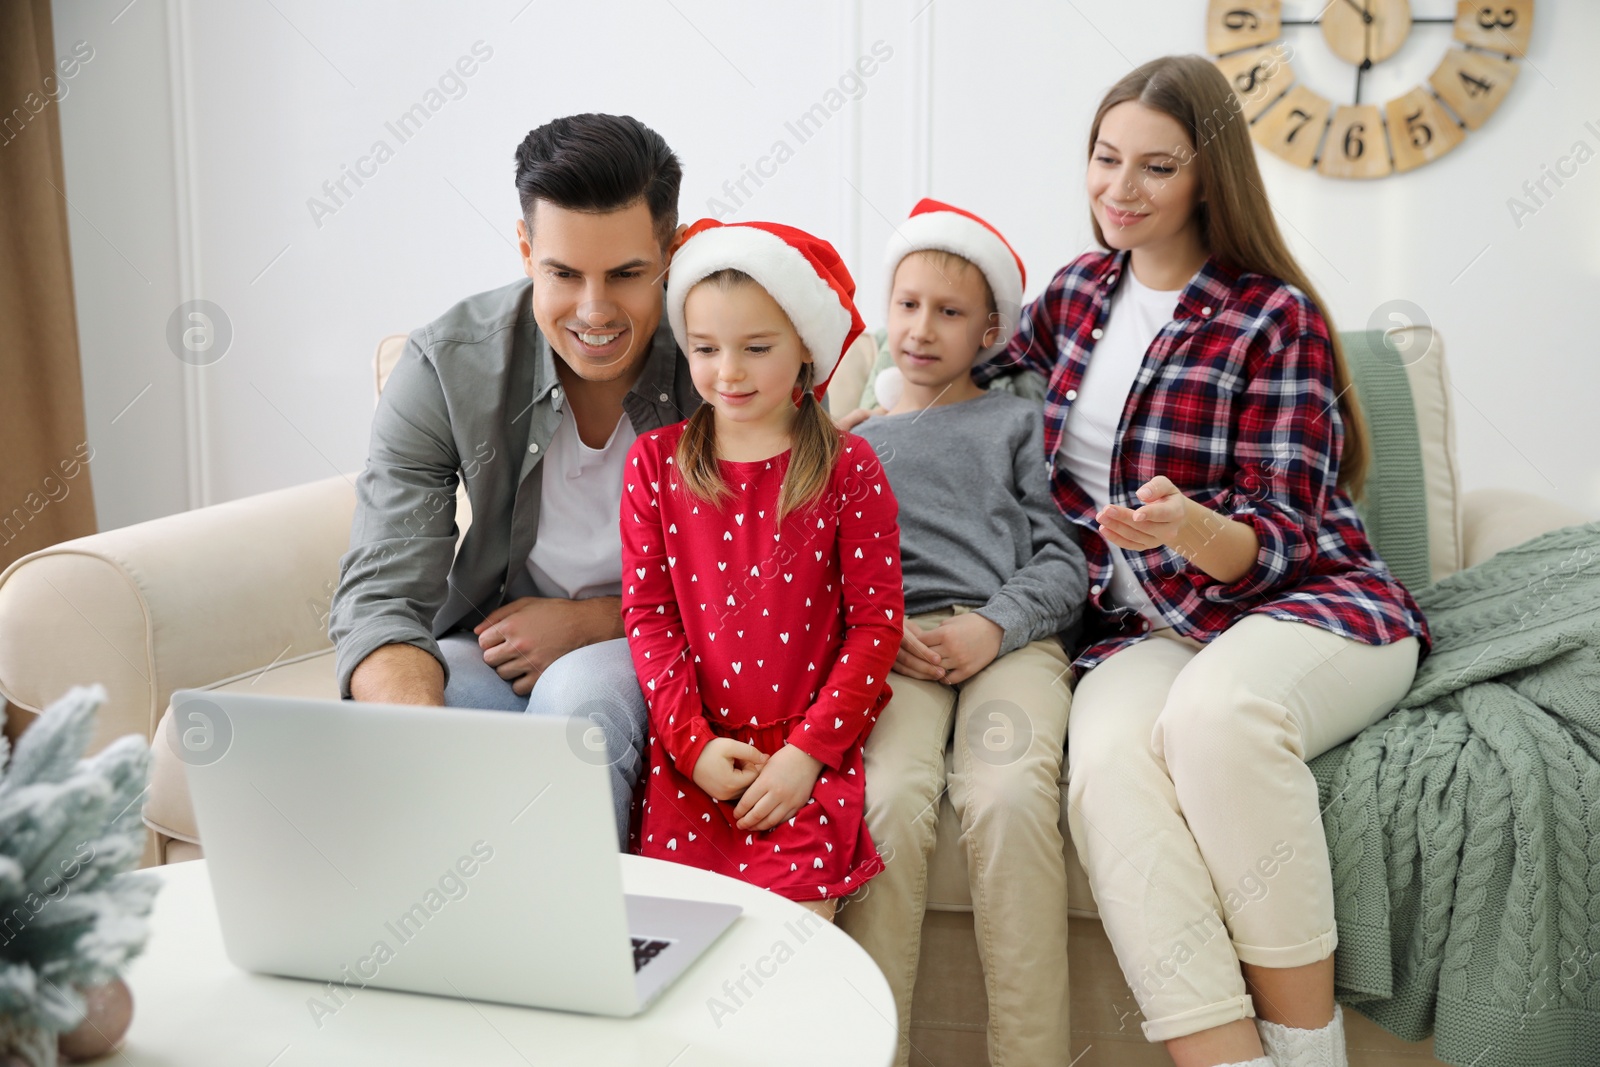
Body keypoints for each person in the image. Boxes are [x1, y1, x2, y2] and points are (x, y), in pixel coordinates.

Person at [973, 56, 1431, 1067]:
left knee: (1213, 720)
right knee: (1101, 768)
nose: (1118, 189)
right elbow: (967, 367)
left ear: (1206, 180)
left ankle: (1310, 1051)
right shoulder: (1077, 293)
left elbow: (1277, 533)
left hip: (1302, 606)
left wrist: (1182, 525)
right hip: (1144, 629)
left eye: (1154, 167)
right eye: (1105, 158)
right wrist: (871, 394)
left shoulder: (1272, 316)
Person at [327, 114, 702, 849]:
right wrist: (417, 743)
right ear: (527, 250)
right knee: (422, 704)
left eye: (626, 274)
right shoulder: (448, 363)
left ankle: (576, 952)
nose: (595, 312)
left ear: (670, 251)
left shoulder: (724, 353)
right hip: (497, 640)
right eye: (564, 274)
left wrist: (595, 622)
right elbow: (381, 597)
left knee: (579, 696)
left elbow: (780, 577)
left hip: (664, 641)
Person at [835, 199, 1088, 1067]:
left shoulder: (1019, 424)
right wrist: (880, 626)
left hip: (1006, 641)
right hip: (890, 643)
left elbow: (1066, 562)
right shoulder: (846, 443)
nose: (922, 328)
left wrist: (994, 625)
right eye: (907, 305)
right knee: (886, 804)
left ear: (989, 330)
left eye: (949, 312)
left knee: (1009, 796)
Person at [620, 219, 903, 920]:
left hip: (804, 762)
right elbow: (649, 618)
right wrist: (692, 746)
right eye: (706, 349)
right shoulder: (654, 466)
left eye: (756, 348)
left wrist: (808, 753)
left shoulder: (849, 469)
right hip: (694, 764)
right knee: (678, 966)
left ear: (805, 347)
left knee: (790, 965)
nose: (728, 372)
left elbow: (876, 626)